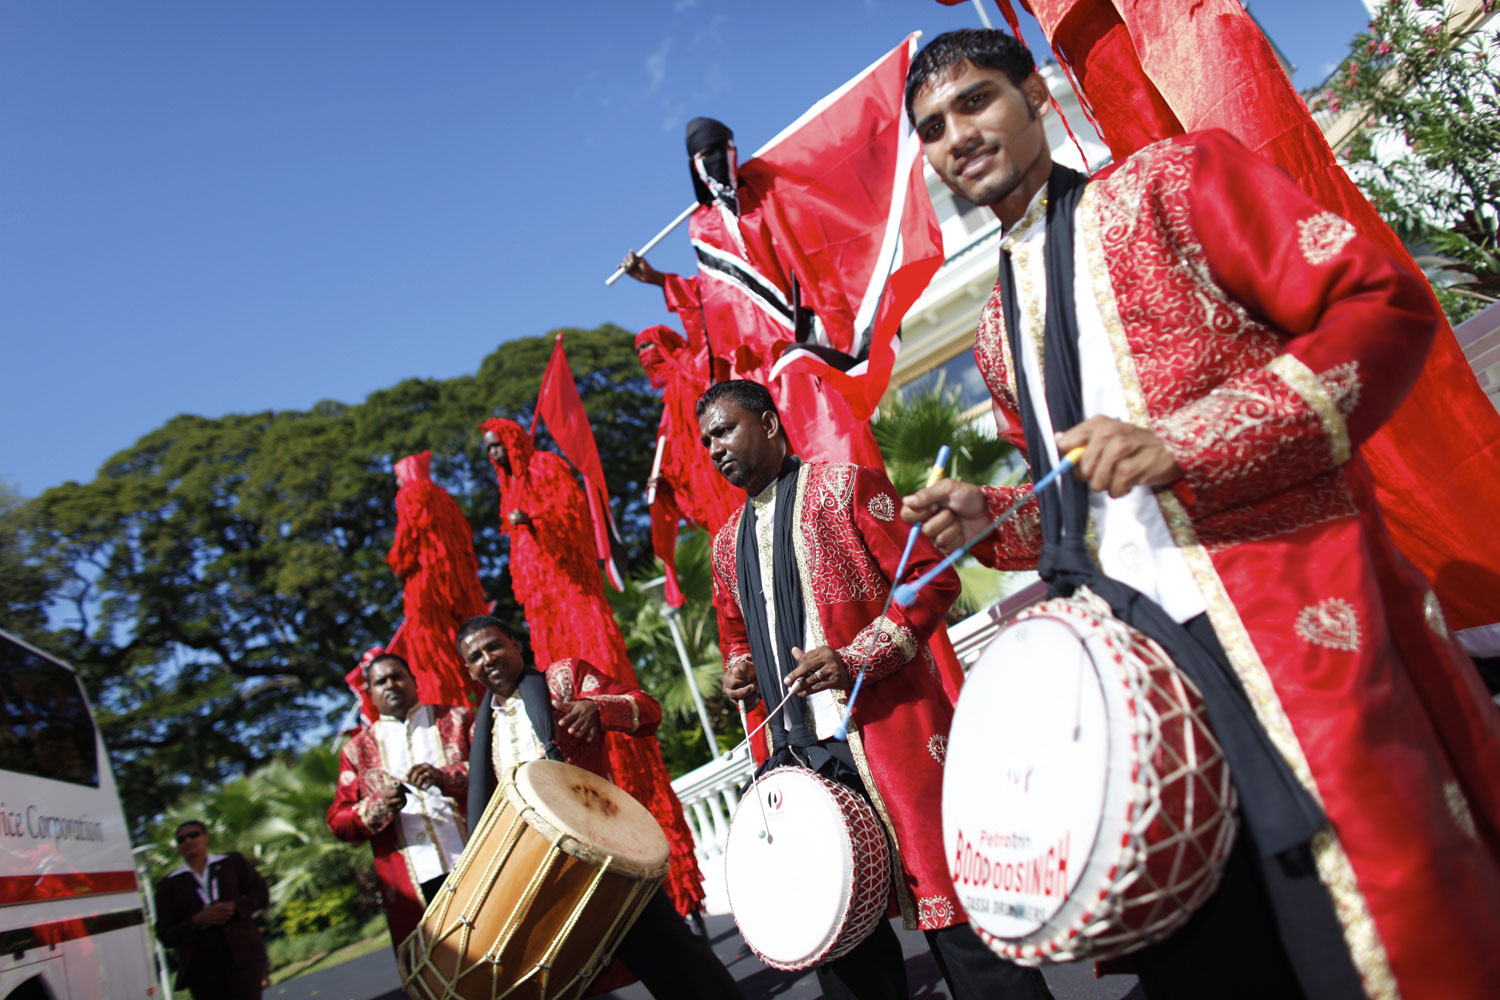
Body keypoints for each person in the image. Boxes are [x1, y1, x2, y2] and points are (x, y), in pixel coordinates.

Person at [899, 28, 1500, 1000]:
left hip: (1287, 618)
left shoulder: (1172, 186)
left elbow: (1380, 304)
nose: (956, 134)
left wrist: (1192, 442)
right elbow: (1089, 503)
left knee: (1379, 925)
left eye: (976, 101)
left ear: (1039, 98)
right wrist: (993, 516)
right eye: (932, 127)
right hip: (1138, 679)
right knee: (1225, 957)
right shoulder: (998, 332)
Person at [698, 379, 1051, 1000]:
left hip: (887, 731)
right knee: (839, 934)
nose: (714, 448)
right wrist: (739, 668)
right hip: (796, 755)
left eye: (724, 430)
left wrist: (856, 657)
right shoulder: (726, 547)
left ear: (770, 424)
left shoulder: (846, 488)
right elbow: (736, 638)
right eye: (706, 441)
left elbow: (928, 579)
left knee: (956, 910)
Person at [477, 416, 705, 917]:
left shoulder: (547, 466)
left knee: (612, 721)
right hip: (545, 626)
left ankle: (675, 887)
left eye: (498, 446)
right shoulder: (508, 491)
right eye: (488, 451)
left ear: (515, 440)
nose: (494, 456)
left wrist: (533, 517)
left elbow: (574, 526)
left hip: (580, 613)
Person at [457, 615, 746, 1000]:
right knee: (574, 976)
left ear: (513, 643)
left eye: (493, 646)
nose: (487, 658)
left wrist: (598, 708)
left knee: (669, 950)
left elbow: (647, 708)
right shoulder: (482, 733)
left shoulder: (562, 679)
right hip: (544, 870)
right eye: (475, 655)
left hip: (606, 848)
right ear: (468, 669)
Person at [620, 117, 886, 471]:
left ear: (734, 150)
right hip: (751, 370)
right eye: (704, 154)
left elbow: (811, 252)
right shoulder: (702, 226)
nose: (714, 160)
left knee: (841, 453)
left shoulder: (768, 196)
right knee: (776, 471)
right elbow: (712, 299)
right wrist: (659, 280)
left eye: (720, 150)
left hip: (799, 349)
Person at [326, 653, 471, 952]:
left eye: (397, 676)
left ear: (414, 681)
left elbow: (497, 771)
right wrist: (378, 806)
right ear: (370, 694)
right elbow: (338, 821)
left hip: (475, 859)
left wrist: (445, 777)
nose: (390, 684)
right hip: (412, 882)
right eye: (381, 681)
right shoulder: (357, 752)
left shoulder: (456, 719)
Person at [386, 449, 489, 707]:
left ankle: (450, 712)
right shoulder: (445, 498)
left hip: (426, 587)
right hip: (462, 585)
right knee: (473, 639)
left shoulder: (409, 494)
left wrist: (398, 566)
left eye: (398, 477)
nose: (397, 483)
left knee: (434, 654)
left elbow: (407, 539)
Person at [153, 820, 270, 1000]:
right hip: (202, 966)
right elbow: (165, 934)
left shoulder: (231, 863)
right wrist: (196, 921)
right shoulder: (169, 885)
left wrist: (236, 907)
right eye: (181, 839)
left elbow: (262, 894)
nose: (187, 841)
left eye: (193, 835)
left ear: (206, 837)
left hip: (244, 955)